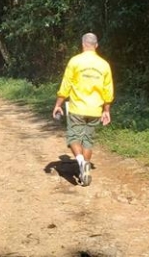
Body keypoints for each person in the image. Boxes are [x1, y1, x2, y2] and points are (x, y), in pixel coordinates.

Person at [52, 33, 114, 186]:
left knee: (74, 138)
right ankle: (84, 169)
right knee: (87, 142)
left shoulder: (75, 61)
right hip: (95, 110)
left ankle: (81, 163)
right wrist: (107, 110)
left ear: (83, 44)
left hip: (77, 108)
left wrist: (58, 104)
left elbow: (66, 85)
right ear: (96, 45)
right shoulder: (104, 64)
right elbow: (108, 90)